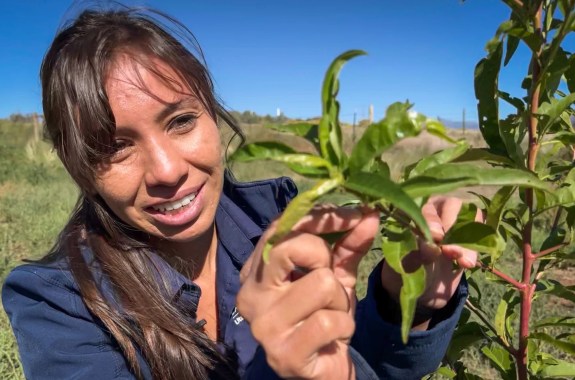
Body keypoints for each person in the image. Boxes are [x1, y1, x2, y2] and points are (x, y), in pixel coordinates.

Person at [2, 5, 476, 380]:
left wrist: (405, 303)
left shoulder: (274, 218)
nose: (166, 171)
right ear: (79, 169)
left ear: (213, 114)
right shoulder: (57, 303)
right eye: (114, 148)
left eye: (181, 121)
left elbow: (356, 357)